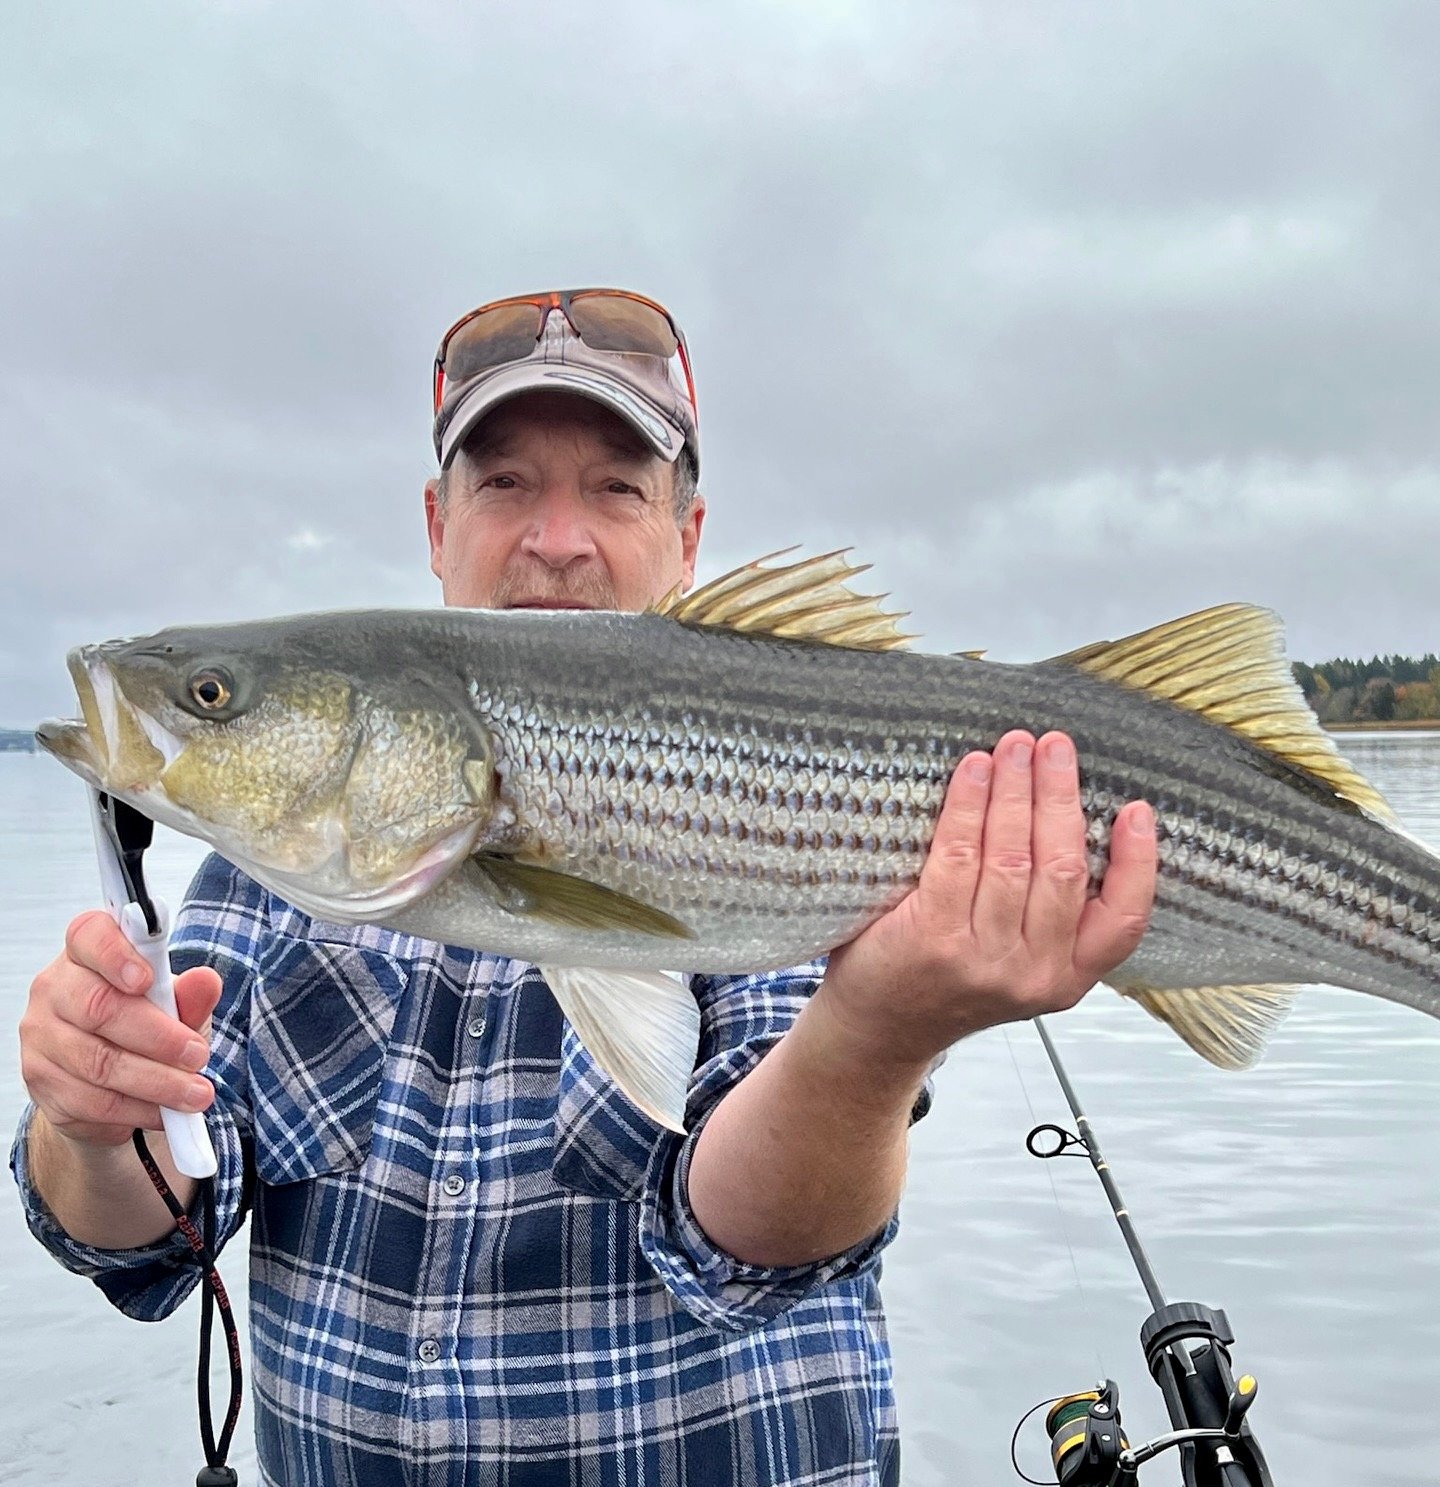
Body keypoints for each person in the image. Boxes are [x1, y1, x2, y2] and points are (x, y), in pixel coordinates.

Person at [12, 287, 1158, 1486]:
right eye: (503, 483)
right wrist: (94, 1122)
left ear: (689, 531)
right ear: (435, 521)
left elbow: (755, 1246)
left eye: (614, 487)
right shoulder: (262, 877)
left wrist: (878, 1034)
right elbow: (151, 1233)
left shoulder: (761, 794)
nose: (556, 539)